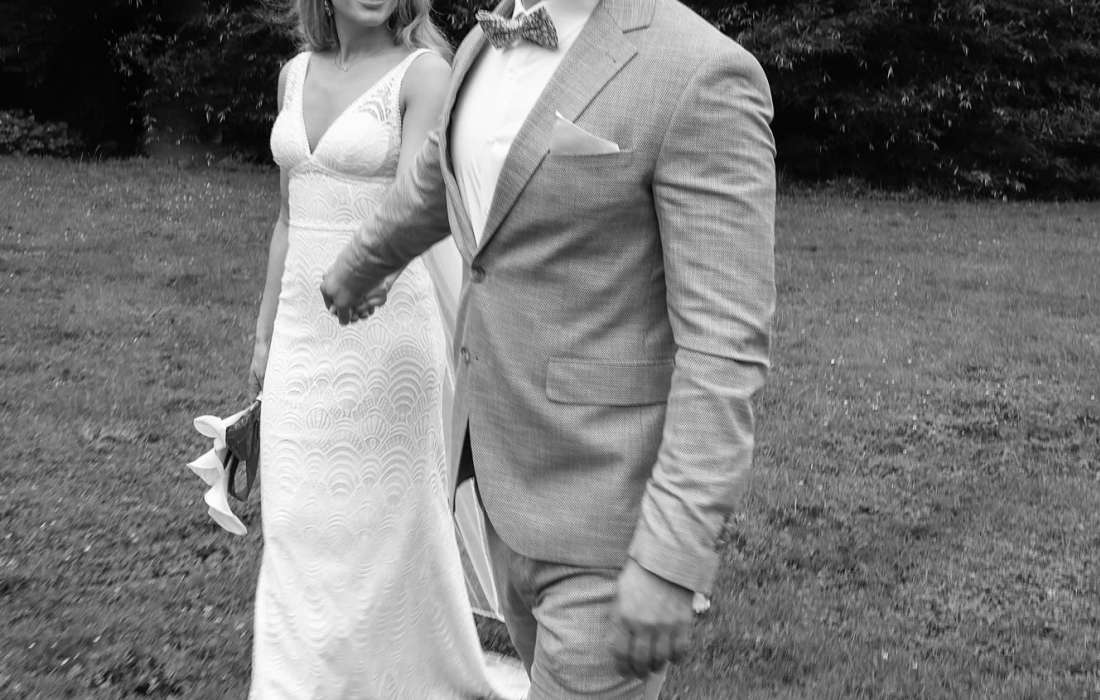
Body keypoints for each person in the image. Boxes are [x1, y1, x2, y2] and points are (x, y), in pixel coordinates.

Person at [321, 0, 777, 696]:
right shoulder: (481, 43)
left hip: (609, 523)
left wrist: (671, 556)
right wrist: (362, 263)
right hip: (498, 485)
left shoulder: (701, 72)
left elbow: (723, 349)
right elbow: (442, 176)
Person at [249, 0, 527, 696]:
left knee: (381, 535)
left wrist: (368, 279)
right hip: (300, 341)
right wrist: (263, 336)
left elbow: (418, 205)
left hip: (386, 337)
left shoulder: (423, 74)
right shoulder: (292, 74)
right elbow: (286, 218)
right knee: (292, 525)